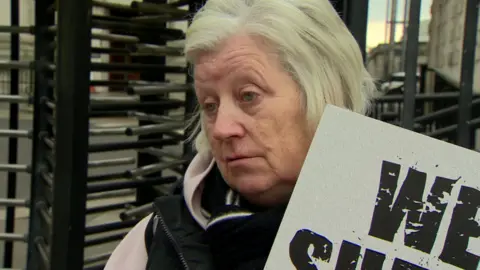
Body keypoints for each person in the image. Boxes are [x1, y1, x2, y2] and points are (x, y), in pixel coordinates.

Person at [104, 0, 376, 269]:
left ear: (327, 94)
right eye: (210, 105)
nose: (222, 129)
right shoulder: (153, 242)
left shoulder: (406, 234)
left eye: (248, 96)